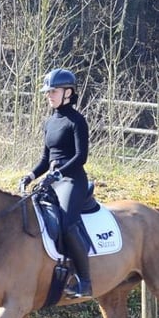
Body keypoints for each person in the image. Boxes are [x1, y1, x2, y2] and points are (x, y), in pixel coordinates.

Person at [19, 68, 92, 299]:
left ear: (68, 92)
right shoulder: (49, 122)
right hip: (52, 180)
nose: (49, 95)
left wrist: (58, 173)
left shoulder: (77, 121)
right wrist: (31, 175)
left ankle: (84, 281)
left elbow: (81, 157)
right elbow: (45, 159)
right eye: (48, 92)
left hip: (72, 180)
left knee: (67, 224)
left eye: (53, 91)